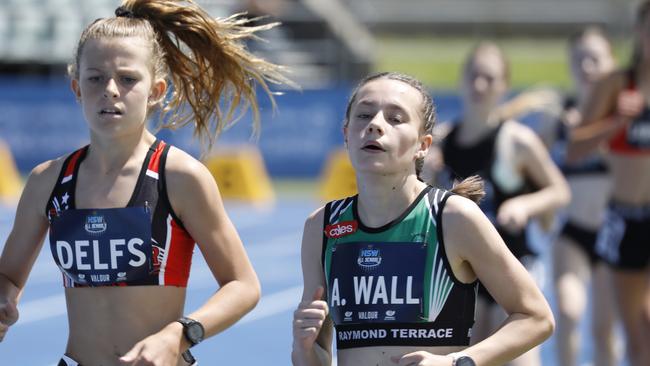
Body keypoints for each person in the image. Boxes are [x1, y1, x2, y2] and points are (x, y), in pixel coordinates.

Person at [0, 0, 291, 364]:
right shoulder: (48, 181)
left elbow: (243, 286)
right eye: (95, 78)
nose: (110, 89)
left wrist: (179, 334)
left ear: (156, 90)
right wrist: (4, 299)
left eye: (127, 78)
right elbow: (8, 276)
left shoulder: (179, 177)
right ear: (76, 88)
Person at [291, 71, 554, 366]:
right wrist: (303, 348)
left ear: (423, 145)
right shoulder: (322, 227)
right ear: (346, 134)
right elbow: (317, 359)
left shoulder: (453, 217)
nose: (375, 125)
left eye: (395, 118)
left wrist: (457, 361)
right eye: (364, 115)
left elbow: (536, 317)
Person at [435, 42, 570, 366]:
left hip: (513, 265)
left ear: (504, 86)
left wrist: (524, 205)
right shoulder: (440, 142)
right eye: (474, 75)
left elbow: (559, 191)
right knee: (466, 357)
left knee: (518, 358)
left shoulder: (517, 141)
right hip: (463, 271)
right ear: (462, 80)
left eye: (490, 78)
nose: (480, 84)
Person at [568, 2, 650, 365]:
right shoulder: (618, 84)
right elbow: (574, 149)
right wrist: (617, 120)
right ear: (639, 31)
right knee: (635, 335)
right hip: (626, 218)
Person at [541, 27, 619, 366]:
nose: (587, 67)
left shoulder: (625, 116)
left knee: (604, 330)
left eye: (595, 59)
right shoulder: (558, 119)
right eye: (579, 60)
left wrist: (590, 138)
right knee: (568, 315)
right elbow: (525, 167)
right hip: (572, 232)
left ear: (611, 63)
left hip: (614, 233)